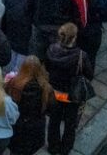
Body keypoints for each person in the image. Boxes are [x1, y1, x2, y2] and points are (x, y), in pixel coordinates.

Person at [43, 23, 92, 154]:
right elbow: (89, 74)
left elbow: (47, 67)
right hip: (72, 95)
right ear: (74, 38)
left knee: (54, 121)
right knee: (70, 124)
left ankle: (53, 147)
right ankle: (66, 148)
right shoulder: (81, 56)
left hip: (55, 93)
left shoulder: (51, 50)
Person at [4, 56, 52, 155]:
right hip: (35, 129)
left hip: (17, 127)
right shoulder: (46, 88)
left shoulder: (13, 84)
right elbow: (51, 108)